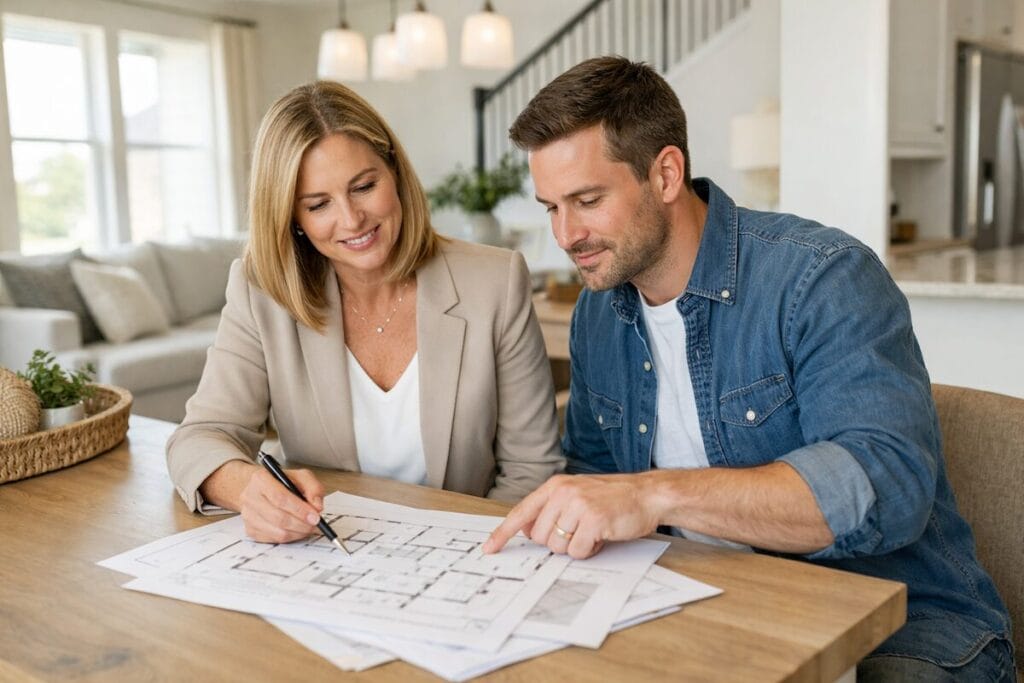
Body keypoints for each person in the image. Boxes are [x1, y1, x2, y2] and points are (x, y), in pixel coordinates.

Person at [482, 56, 1015, 680]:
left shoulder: (821, 278)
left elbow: (884, 483)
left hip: (904, 632)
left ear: (666, 173)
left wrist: (652, 495)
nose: (566, 235)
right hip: (714, 612)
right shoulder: (600, 314)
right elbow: (597, 474)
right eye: (551, 207)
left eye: (588, 200)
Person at [167, 81, 563, 544]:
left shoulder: (495, 281)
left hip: (469, 557)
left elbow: (531, 468)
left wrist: (466, 555)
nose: (352, 220)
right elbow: (200, 437)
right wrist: (247, 489)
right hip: (329, 559)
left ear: (394, 172)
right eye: (318, 205)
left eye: (364, 187)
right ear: (290, 216)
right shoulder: (262, 292)